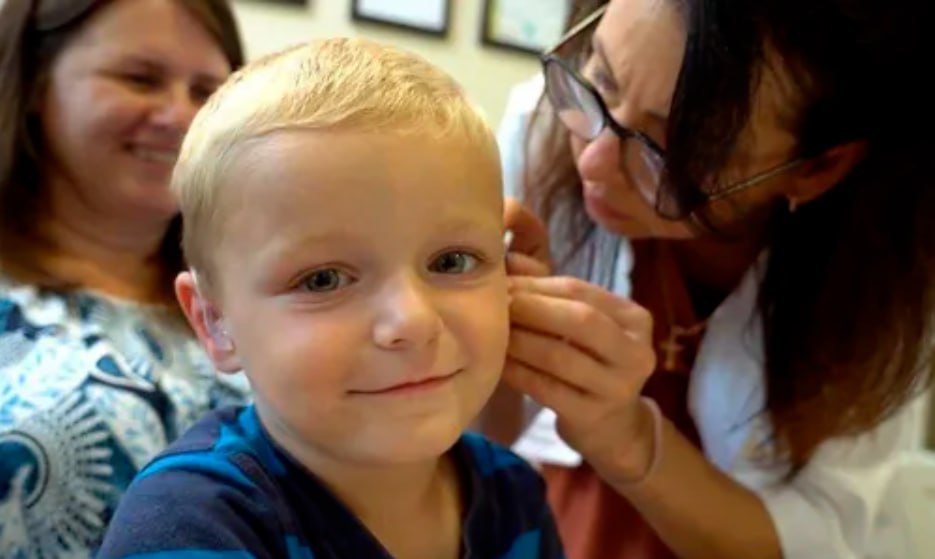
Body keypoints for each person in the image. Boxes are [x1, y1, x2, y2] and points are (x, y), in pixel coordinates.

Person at [489, 0, 935, 558]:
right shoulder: (549, 126)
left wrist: (627, 439)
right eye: (602, 77)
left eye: (673, 150)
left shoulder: (874, 278)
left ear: (819, 167)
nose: (593, 164)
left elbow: (813, 538)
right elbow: (473, 436)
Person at [96, 38, 564, 559]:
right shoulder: (187, 525)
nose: (411, 320)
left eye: (451, 261)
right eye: (322, 280)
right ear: (214, 322)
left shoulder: (514, 496)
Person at [0, 1, 248, 556]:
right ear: (37, 82)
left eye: (207, 92)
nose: (181, 116)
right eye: (140, 79)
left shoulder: (263, 296)